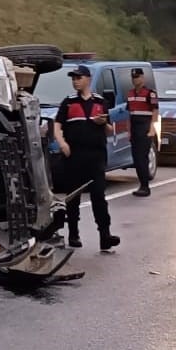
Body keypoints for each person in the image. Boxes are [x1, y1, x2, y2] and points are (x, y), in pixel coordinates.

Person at [53, 65, 121, 251]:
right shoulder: (68, 102)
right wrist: (62, 143)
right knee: (73, 196)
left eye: (78, 78)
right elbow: (57, 126)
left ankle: (105, 235)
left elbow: (109, 130)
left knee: (99, 195)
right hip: (74, 155)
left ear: (88, 79)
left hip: (96, 155)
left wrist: (103, 123)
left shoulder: (100, 102)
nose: (75, 81)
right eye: (73, 78)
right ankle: (73, 233)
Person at [127, 67, 160, 196]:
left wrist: (152, 128)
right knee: (136, 158)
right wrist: (129, 131)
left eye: (138, 77)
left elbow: (155, 111)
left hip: (145, 127)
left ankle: (145, 186)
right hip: (134, 128)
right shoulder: (130, 94)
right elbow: (129, 113)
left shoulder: (150, 93)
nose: (135, 80)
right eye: (133, 78)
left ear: (143, 78)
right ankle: (141, 184)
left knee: (142, 158)